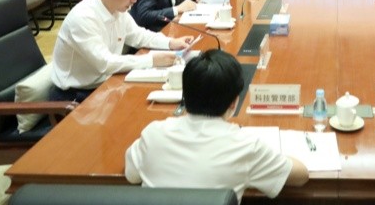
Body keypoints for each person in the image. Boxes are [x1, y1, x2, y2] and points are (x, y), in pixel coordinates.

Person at [125, 49, 309, 202]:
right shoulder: (245, 146)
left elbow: (131, 175)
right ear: (234, 103)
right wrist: (270, 155)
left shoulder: (153, 133)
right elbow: (301, 176)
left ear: (184, 95)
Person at [50, 0, 193, 102]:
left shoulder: (117, 8)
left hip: (107, 81)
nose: (135, 0)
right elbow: (105, 63)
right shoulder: (83, 18)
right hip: (77, 94)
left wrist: (171, 43)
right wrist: (152, 60)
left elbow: (138, 35)